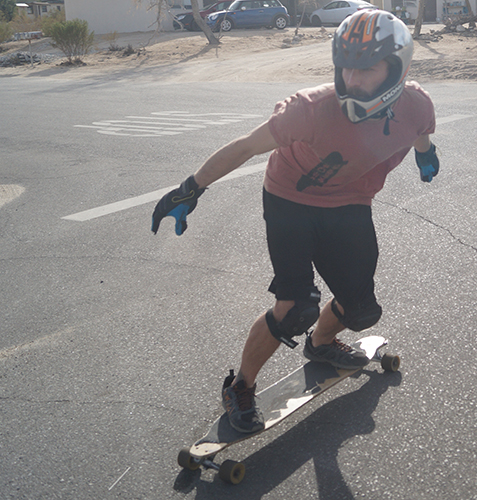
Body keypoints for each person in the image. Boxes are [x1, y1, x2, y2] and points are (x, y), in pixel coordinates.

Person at [150, 10, 439, 433]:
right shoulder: (311, 109)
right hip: (291, 200)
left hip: (351, 203)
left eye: (367, 69)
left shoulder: (417, 104)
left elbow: (420, 131)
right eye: (346, 67)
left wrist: (425, 154)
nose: (353, 80)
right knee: (294, 308)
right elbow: (248, 146)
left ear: (398, 69)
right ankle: (240, 386)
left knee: (359, 305)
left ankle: (321, 345)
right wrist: (191, 187)